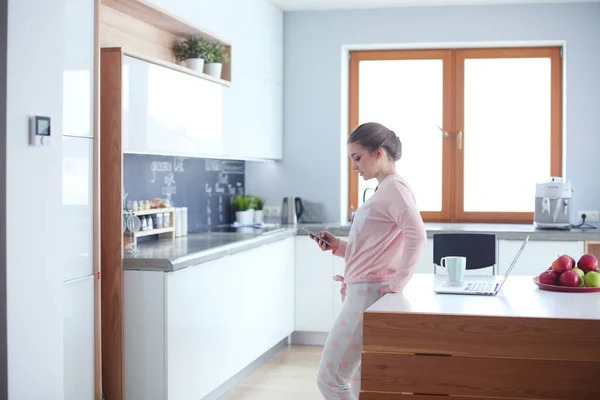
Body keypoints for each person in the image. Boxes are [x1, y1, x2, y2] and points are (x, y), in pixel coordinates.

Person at [309, 122, 427, 400]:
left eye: (357, 157)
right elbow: (373, 249)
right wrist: (337, 246)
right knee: (357, 381)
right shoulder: (386, 189)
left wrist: (398, 284)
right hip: (365, 292)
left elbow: (417, 236)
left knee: (330, 380)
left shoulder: (394, 189)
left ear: (379, 153)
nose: (354, 166)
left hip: (367, 296)